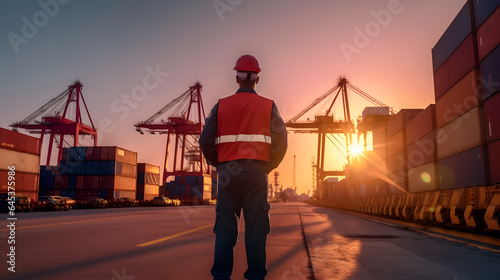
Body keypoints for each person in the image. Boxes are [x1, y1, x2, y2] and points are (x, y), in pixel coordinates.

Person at [199, 54, 288, 280]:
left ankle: (221, 276)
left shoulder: (221, 105)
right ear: (257, 78)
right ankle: (256, 276)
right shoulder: (269, 106)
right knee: (256, 229)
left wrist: (219, 165)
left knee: (225, 230)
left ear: (236, 77)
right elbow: (282, 142)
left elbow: (205, 141)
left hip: (228, 174)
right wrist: (267, 167)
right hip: (257, 174)